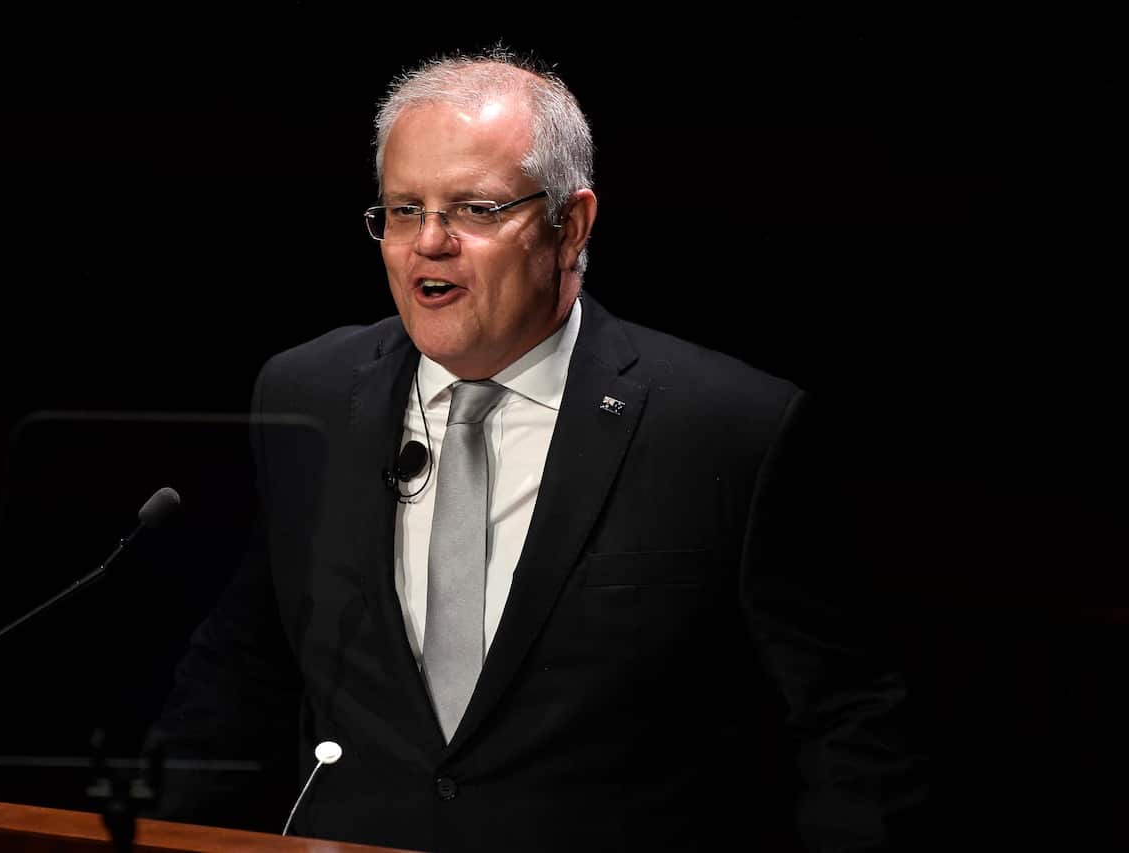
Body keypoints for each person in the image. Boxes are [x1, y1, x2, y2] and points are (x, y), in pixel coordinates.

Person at [150, 47, 929, 852]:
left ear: (571, 224)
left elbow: (852, 721)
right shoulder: (308, 393)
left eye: (475, 209)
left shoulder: (726, 428)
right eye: (405, 209)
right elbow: (242, 668)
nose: (429, 242)